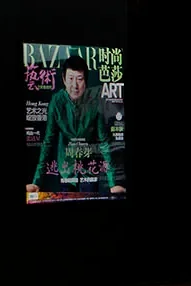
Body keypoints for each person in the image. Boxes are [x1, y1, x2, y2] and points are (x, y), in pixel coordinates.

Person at [26, 54, 124, 197]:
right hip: (65, 167)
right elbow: (48, 141)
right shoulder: (57, 101)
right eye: (71, 78)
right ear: (64, 79)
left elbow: (104, 142)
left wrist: (113, 183)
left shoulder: (95, 102)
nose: (75, 85)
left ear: (86, 81)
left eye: (79, 79)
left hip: (89, 169)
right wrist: (37, 181)